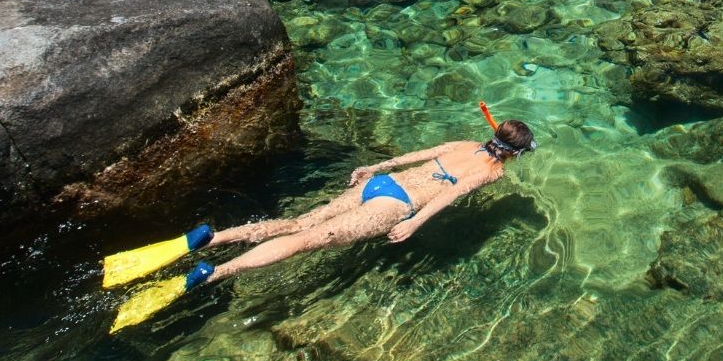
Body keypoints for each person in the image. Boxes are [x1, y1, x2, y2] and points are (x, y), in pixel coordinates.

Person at [203, 119, 537, 281]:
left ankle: (212, 238)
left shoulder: (464, 144)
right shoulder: (492, 172)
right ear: (515, 154)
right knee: (305, 239)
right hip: (393, 205)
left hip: (381, 182)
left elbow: (417, 155)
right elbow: (450, 194)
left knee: (300, 222)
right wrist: (414, 222)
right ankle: (218, 271)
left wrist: (374, 167)